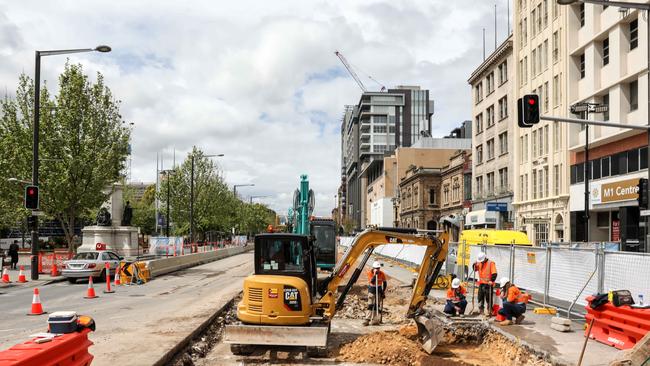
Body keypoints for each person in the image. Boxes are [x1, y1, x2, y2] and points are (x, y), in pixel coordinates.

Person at [363, 261, 387, 326]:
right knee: (370, 305)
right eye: (376, 268)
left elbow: (384, 283)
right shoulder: (370, 273)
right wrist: (374, 275)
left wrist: (383, 292)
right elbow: (372, 282)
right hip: (372, 290)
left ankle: (375, 320)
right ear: (373, 268)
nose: (378, 269)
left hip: (379, 290)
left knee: (377, 306)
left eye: (379, 268)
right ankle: (367, 320)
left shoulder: (382, 274)